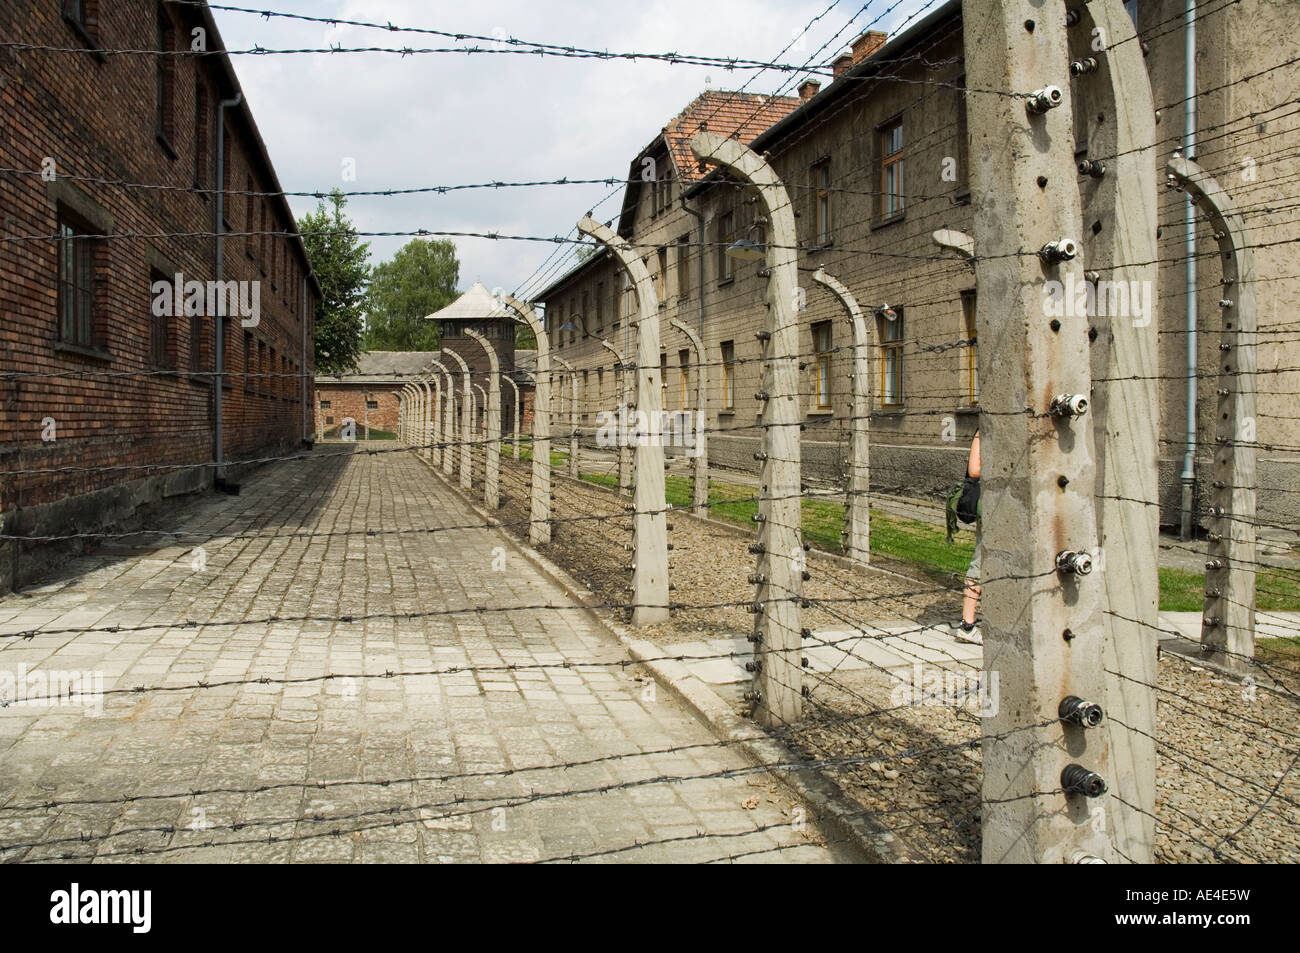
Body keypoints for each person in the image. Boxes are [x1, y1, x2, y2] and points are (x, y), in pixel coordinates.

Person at [952, 430, 982, 644]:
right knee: (982, 558)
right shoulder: (984, 430)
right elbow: (974, 470)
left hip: (1011, 503)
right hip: (991, 504)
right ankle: (967, 625)